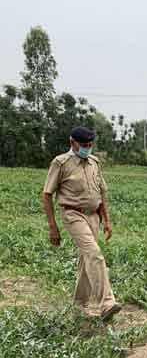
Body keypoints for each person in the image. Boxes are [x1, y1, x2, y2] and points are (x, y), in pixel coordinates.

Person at [42, 126, 121, 321]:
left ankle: (79, 303)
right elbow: (47, 194)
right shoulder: (61, 163)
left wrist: (107, 221)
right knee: (94, 255)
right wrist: (53, 227)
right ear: (72, 143)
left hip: (93, 216)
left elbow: (101, 192)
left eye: (90, 144)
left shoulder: (94, 162)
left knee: (86, 258)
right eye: (84, 145)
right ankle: (107, 303)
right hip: (73, 214)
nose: (88, 148)